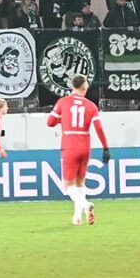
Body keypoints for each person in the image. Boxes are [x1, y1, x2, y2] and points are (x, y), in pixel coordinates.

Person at [47, 75, 111, 226]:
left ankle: (85, 205)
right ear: (84, 87)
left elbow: (50, 122)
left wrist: (61, 118)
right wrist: (106, 148)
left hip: (69, 145)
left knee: (68, 186)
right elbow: (99, 129)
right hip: (84, 146)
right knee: (80, 183)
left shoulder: (63, 102)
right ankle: (77, 217)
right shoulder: (91, 106)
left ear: (72, 86)